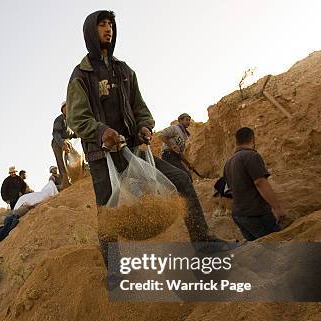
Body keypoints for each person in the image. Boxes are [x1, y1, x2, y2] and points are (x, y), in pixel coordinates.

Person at [66, 10, 231, 265]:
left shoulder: (124, 71)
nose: (108, 29)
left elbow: (141, 108)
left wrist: (144, 126)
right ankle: (115, 270)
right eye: (101, 25)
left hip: (133, 151)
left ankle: (203, 242)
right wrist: (102, 131)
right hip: (102, 157)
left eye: (110, 25)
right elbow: (76, 118)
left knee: (181, 180)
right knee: (108, 214)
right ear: (90, 31)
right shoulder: (81, 75)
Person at [224, 127, 287, 240]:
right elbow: (260, 182)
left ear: (236, 141)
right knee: (279, 247)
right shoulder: (251, 156)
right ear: (253, 139)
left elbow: (230, 190)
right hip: (255, 215)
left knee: (260, 251)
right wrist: (277, 208)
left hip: (239, 215)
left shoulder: (228, 162)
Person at [159, 113, 200, 179]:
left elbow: (179, 152)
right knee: (184, 175)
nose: (188, 122)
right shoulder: (175, 128)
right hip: (168, 155)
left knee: (185, 176)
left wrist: (188, 164)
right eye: (186, 120)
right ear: (180, 120)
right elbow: (161, 135)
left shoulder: (185, 135)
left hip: (175, 157)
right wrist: (172, 145)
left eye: (189, 120)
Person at [52, 101, 77, 189]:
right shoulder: (60, 119)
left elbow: (72, 134)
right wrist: (62, 144)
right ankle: (65, 183)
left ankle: (76, 176)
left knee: (75, 157)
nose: (68, 109)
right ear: (62, 110)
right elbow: (56, 133)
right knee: (61, 162)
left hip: (66, 141)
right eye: (65, 108)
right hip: (57, 142)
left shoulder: (71, 120)